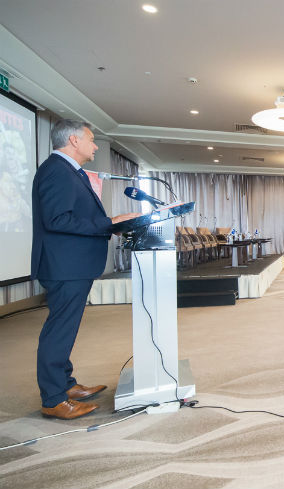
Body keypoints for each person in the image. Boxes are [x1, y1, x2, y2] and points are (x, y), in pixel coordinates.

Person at [31, 119, 141, 420]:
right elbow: (57, 220)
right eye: (91, 140)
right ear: (74, 141)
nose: (95, 146)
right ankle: (53, 399)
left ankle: (65, 385)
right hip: (64, 265)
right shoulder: (57, 170)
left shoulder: (66, 170)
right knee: (59, 331)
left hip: (71, 264)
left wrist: (114, 226)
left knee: (65, 328)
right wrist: (110, 222)